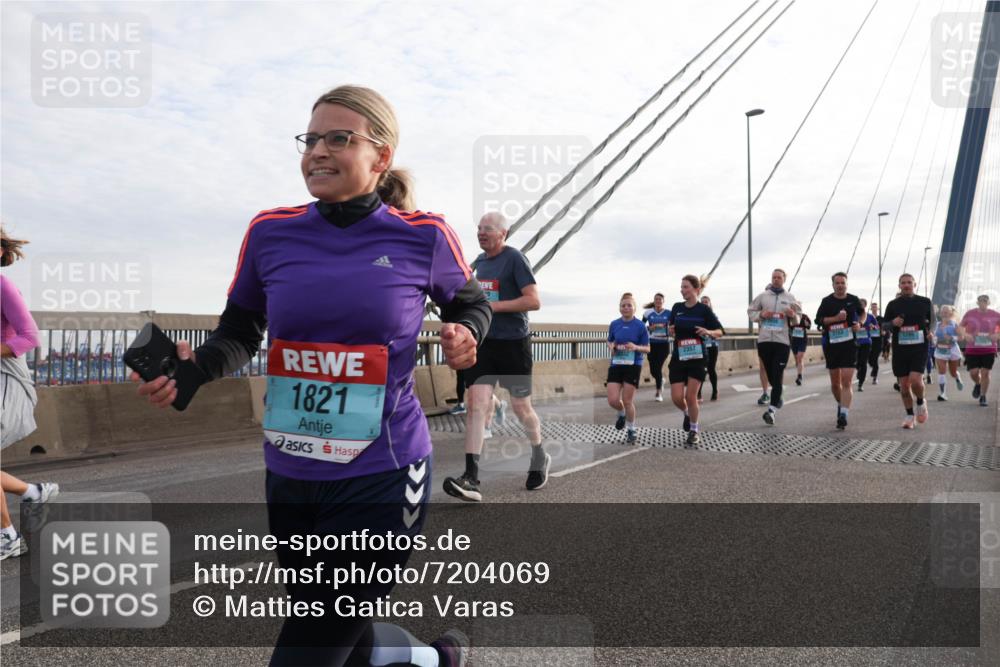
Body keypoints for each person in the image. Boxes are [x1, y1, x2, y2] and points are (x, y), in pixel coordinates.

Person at [132, 85, 486, 666]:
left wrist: (466, 333)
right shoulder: (271, 231)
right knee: (331, 625)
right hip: (293, 469)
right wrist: (194, 371)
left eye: (339, 138)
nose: (318, 151)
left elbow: (469, 303)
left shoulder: (423, 235)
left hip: (384, 469)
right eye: (311, 138)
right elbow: (240, 331)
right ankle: (437, 661)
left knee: (314, 641)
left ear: (381, 154)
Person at [444, 212, 547, 502]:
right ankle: (471, 477)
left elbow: (533, 300)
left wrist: (492, 307)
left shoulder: (515, 258)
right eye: (478, 228)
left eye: (487, 228)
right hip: (485, 343)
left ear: (503, 233)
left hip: (514, 343)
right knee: (476, 404)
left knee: (521, 407)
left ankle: (539, 455)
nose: (481, 232)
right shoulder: (476, 264)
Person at [1, 229, 60, 561]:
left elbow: (30, 337)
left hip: (8, 379)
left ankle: (7, 536)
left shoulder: (3, 286)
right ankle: (33, 492)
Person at [667, 275, 723, 446]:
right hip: (679, 355)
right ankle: (686, 413)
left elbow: (720, 331)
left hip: (698, 357)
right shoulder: (677, 307)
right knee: (677, 397)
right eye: (681, 287)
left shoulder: (704, 310)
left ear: (696, 290)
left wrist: (708, 331)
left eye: (685, 287)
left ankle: (694, 430)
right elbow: (671, 328)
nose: (682, 290)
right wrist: (670, 330)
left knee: (691, 396)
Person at [747, 269, 802, 425]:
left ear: (784, 279)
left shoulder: (790, 298)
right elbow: (750, 312)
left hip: (782, 342)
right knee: (771, 375)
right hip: (764, 341)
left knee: (777, 375)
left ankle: (771, 410)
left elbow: (798, 320)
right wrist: (761, 315)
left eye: (779, 277)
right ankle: (778, 395)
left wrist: (792, 315)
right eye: (774, 277)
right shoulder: (763, 296)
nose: (776, 280)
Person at [882, 274, 934, 429]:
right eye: (903, 283)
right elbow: (884, 325)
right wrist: (893, 323)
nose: (906, 285)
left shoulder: (925, 302)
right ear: (899, 285)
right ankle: (910, 415)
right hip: (900, 348)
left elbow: (933, 322)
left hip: (919, 346)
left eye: (909, 282)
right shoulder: (893, 305)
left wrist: (931, 332)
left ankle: (920, 401)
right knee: (904, 385)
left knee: (916, 379)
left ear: (914, 284)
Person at [815, 272, 864, 429]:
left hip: (849, 344)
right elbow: (819, 320)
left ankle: (843, 414)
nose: (840, 285)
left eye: (843, 282)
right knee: (835, 385)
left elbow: (863, 313)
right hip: (832, 345)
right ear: (833, 285)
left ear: (847, 284)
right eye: (837, 283)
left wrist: (860, 324)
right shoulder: (827, 301)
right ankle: (841, 404)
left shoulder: (853, 299)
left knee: (847, 381)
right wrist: (835, 319)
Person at [607, 293, 651, 444]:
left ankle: (631, 429)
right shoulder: (614, 324)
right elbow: (610, 340)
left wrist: (636, 347)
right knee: (612, 400)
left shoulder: (640, 326)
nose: (626, 308)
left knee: (627, 400)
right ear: (619, 308)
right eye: (623, 305)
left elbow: (648, 349)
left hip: (633, 365)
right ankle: (621, 414)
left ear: (634, 308)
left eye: (629, 305)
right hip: (616, 363)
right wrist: (611, 346)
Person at [959, 294, 1000, 407]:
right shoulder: (970, 313)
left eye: (985, 301)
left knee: (985, 373)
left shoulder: (995, 315)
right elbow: (960, 327)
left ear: (989, 302)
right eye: (981, 301)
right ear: (977, 302)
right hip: (973, 349)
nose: (983, 303)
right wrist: (965, 334)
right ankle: (978, 383)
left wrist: (997, 335)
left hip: (989, 348)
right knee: (974, 373)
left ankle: (983, 396)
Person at [642, 293, 670, 402]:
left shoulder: (669, 313)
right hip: (651, 344)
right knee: (653, 370)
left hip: (664, 344)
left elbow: (673, 327)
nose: (658, 301)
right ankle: (661, 380)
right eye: (656, 299)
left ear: (663, 301)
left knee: (657, 368)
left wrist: (667, 328)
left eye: (660, 299)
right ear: (654, 301)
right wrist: (651, 327)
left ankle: (658, 392)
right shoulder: (648, 313)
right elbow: (641, 326)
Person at [932, 305, 964, 401]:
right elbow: (933, 338)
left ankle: (957, 377)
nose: (944, 313)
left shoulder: (954, 324)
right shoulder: (936, 325)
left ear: (951, 313)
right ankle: (943, 393)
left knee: (952, 373)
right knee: (941, 371)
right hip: (940, 351)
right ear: (940, 313)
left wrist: (952, 338)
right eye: (943, 312)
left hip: (952, 350)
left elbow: (961, 337)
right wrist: (933, 340)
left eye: (947, 312)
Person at [698, 295, 721, 401]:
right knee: (701, 369)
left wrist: (709, 332)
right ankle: (698, 393)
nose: (704, 303)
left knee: (711, 369)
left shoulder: (713, 317)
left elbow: (720, 332)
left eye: (706, 302)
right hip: (700, 346)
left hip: (712, 346)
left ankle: (715, 391)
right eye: (702, 302)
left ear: (709, 304)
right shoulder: (696, 316)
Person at [854, 299, 873, 391]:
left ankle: (860, 383)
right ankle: (859, 370)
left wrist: (873, 327)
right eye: (859, 304)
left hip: (866, 342)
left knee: (863, 362)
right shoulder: (853, 314)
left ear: (865, 306)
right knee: (856, 362)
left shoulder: (869, 316)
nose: (860, 305)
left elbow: (876, 326)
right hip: (855, 342)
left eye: (862, 304)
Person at [790, 312, 811, 386]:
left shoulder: (804, 316)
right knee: (797, 359)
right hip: (794, 340)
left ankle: (799, 376)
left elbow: (809, 326)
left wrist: (807, 324)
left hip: (802, 340)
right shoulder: (791, 316)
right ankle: (799, 373)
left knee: (799, 357)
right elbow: (787, 326)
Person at [867, 302, 883, 385]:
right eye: (872, 307)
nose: (874, 308)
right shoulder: (868, 317)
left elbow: (885, 328)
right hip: (869, 340)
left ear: (878, 309)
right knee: (869, 359)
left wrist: (883, 331)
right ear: (871, 309)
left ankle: (875, 377)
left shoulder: (881, 318)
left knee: (875, 358)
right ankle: (873, 368)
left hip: (878, 341)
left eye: (875, 307)